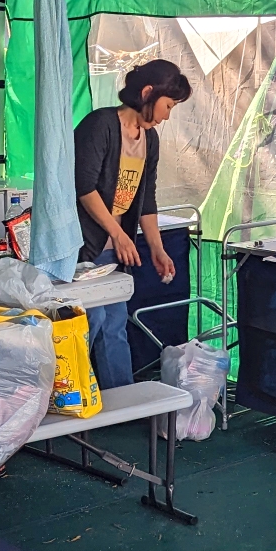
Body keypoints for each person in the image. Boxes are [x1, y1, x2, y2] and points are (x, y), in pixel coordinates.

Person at [73, 59, 192, 390]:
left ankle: (122, 398)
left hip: (114, 248)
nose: (167, 115)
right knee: (92, 321)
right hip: (85, 246)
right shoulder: (100, 124)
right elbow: (83, 187)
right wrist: (117, 233)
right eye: (168, 106)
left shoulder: (149, 140)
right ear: (147, 92)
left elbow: (146, 200)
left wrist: (157, 248)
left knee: (114, 325)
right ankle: (76, 397)